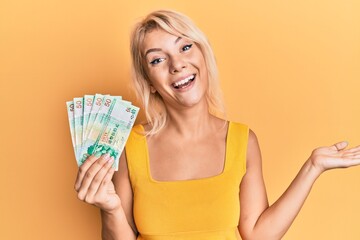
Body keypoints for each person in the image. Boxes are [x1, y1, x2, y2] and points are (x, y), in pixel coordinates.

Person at [74, 10, 360, 240]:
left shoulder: (242, 140)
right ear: (148, 82)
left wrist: (313, 166)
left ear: (203, 55)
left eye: (186, 47)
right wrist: (109, 208)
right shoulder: (129, 145)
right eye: (158, 59)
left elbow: (258, 234)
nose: (178, 64)